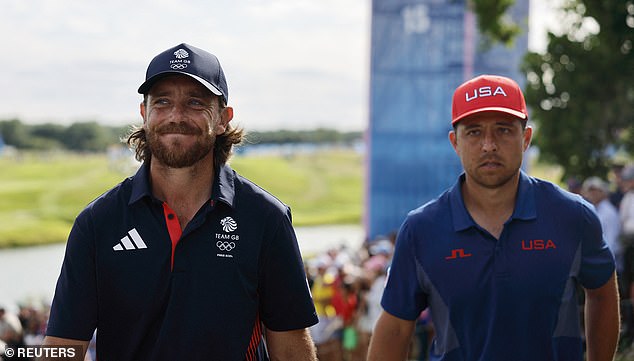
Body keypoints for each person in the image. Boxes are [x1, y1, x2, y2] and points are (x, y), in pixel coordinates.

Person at [43, 43, 318, 361]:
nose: (176, 115)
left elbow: (291, 348)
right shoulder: (97, 222)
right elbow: (63, 346)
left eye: (195, 103)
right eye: (162, 102)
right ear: (145, 114)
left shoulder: (266, 218)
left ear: (222, 119)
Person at [367, 75, 620, 360]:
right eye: (474, 132)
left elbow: (602, 292)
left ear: (526, 139)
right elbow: (396, 328)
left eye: (503, 130)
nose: (489, 145)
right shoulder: (421, 229)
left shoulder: (573, 216)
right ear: (455, 142)